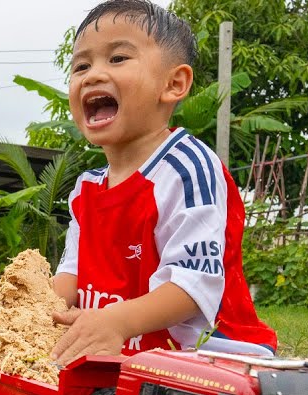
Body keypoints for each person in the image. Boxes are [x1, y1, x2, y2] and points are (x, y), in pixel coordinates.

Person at [48, 0, 277, 366]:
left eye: (118, 58)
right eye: (81, 66)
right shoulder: (85, 189)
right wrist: (27, 312)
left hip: (205, 354)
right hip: (113, 350)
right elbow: (69, 274)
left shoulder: (186, 168)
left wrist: (116, 322)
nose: (92, 75)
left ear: (174, 83)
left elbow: (193, 284)